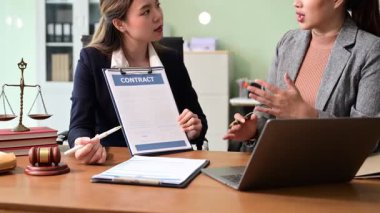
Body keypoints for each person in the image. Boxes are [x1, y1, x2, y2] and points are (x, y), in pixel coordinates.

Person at [224, 0, 380, 151]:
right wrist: (253, 129)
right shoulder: (287, 42)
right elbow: (269, 113)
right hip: (279, 165)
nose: (296, 3)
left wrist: (308, 115)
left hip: (331, 171)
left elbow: (367, 138)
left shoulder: (370, 50)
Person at [68, 0, 207, 164]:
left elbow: (200, 121)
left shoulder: (172, 61)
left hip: (169, 162)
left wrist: (194, 129)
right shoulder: (92, 60)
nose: (158, 16)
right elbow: (79, 126)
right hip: (114, 164)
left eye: (157, 5)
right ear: (120, 24)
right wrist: (83, 144)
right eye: (146, 11)